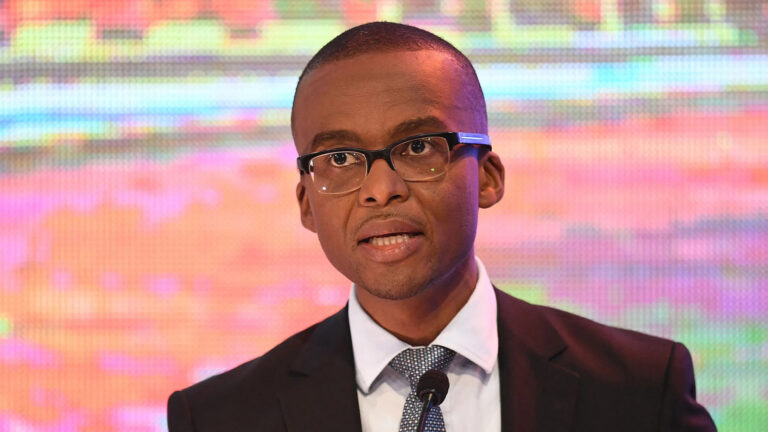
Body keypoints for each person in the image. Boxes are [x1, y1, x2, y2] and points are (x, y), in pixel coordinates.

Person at [167, 22, 717, 431]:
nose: (380, 188)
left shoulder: (639, 389)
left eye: (419, 147)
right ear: (307, 204)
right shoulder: (220, 417)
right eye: (338, 158)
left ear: (488, 178)